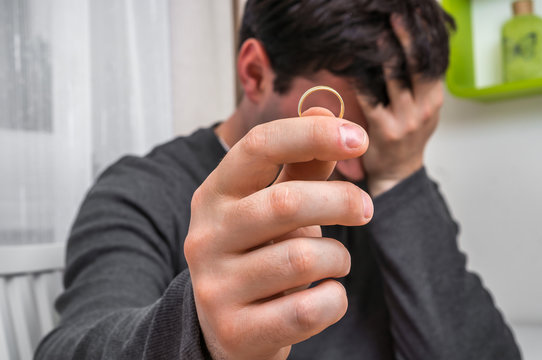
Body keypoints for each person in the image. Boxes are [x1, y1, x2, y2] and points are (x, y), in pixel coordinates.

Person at [36, 1, 522, 359]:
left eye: (387, 136)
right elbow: (72, 345)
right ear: (254, 72)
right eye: (342, 128)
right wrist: (201, 330)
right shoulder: (144, 190)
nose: (355, 163)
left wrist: (402, 176)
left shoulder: (383, 182)